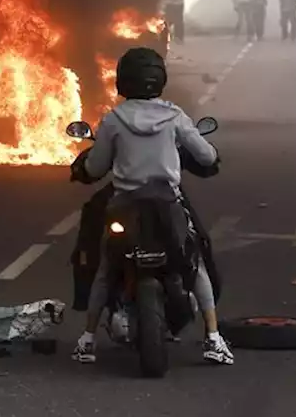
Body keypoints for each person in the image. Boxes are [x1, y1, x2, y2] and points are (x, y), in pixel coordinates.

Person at [69, 47, 234, 367]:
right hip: (168, 203)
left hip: (124, 205)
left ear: (122, 81)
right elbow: (206, 157)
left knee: (105, 265)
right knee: (195, 258)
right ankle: (213, 338)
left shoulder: (114, 120)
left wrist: (85, 169)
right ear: (160, 80)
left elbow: (96, 166)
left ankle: (87, 340)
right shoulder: (175, 117)